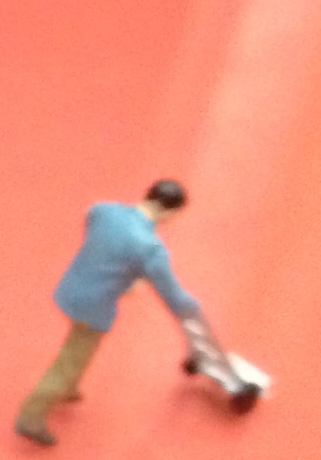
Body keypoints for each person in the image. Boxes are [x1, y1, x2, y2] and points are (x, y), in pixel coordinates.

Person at [15, 179, 202, 445]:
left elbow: (92, 222)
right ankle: (30, 418)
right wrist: (192, 307)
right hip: (94, 308)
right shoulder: (151, 248)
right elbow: (172, 295)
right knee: (70, 361)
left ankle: (69, 390)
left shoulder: (104, 211)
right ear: (170, 212)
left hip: (71, 288)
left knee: (79, 349)